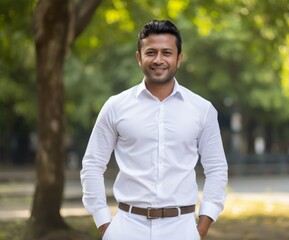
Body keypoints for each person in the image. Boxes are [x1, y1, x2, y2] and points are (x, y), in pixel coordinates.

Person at [80, 19, 228, 240]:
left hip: (182, 229)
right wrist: (104, 224)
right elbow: (92, 164)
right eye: (151, 52)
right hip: (126, 227)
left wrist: (203, 226)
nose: (159, 60)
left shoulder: (202, 109)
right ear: (139, 57)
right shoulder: (115, 106)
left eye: (167, 53)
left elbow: (216, 168)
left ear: (179, 58)